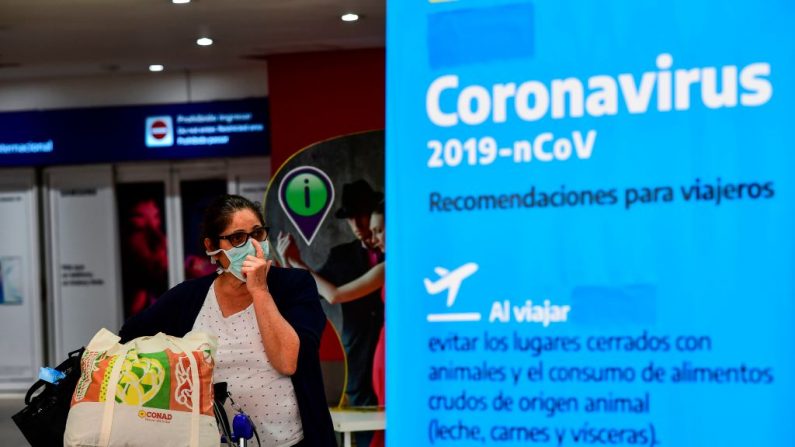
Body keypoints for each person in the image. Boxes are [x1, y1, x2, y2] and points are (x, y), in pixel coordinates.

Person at [119, 194, 335, 447]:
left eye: (257, 234)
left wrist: (260, 291)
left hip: (291, 441)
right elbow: (128, 338)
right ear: (212, 247)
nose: (252, 245)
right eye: (237, 238)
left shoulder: (294, 286)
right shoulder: (188, 297)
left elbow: (288, 361)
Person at [278, 179, 383, 447]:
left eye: (362, 217)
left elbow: (332, 292)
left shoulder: (394, 254)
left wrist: (296, 262)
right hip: (357, 357)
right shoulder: (341, 255)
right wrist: (287, 261)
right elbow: (314, 289)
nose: (359, 227)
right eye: (351, 219)